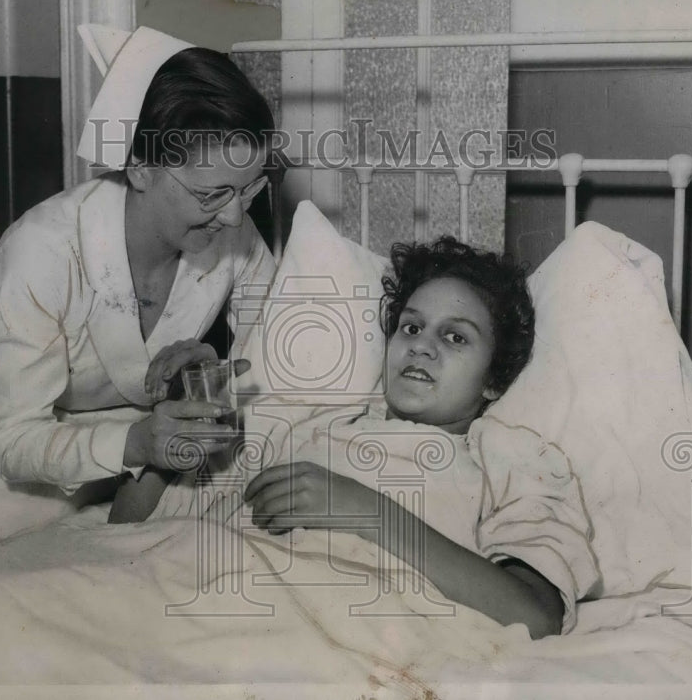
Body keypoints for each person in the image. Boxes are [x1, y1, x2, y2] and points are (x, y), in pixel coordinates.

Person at [0, 26, 278, 568]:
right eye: (212, 193)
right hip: (2, 494)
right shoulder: (43, 251)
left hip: (127, 491)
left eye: (250, 188)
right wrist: (136, 443)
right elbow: (14, 439)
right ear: (140, 166)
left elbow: (267, 373)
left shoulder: (235, 238)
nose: (235, 215)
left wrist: (212, 363)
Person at [243, 237, 599, 639]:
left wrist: (363, 510)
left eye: (455, 337)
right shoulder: (324, 426)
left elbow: (534, 615)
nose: (421, 347)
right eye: (411, 327)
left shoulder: (507, 458)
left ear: (495, 381)